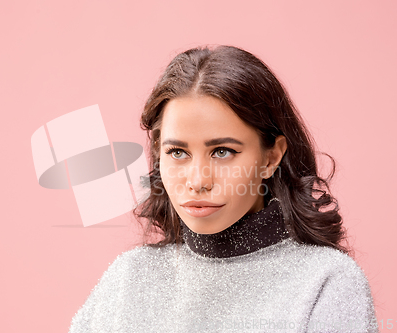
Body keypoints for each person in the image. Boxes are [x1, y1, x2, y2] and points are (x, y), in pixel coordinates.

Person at [68, 45, 378, 332]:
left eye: (222, 152)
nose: (198, 180)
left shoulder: (326, 283)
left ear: (271, 156)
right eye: (177, 152)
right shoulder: (128, 279)